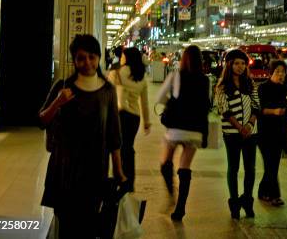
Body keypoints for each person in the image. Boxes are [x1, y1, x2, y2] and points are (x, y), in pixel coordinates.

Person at [39, 34, 126, 239]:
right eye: (81, 58)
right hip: (65, 170)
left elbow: (114, 134)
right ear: (74, 60)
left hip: (95, 171)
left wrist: (119, 171)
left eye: (91, 57)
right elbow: (42, 120)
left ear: (98, 58)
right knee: (67, 226)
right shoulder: (63, 87)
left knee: (88, 226)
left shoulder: (107, 91)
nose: (87, 62)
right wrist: (58, 102)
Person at [157, 45, 210, 222]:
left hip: (175, 129)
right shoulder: (205, 80)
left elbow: (160, 98)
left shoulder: (176, 75)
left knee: (165, 163)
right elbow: (205, 108)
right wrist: (205, 134)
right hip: (195, 131)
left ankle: (171, 194)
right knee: (185, 167)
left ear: (184, 59)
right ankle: (180, 209)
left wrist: (172, 101)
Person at [215, 49, 260, 219]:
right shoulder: (222, 86)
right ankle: (234, 203)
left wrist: (249, 125)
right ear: (229, 64)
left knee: (250, 168)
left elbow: (257, 106)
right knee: (233, 168)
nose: (240, 67)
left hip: (251, 133)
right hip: (232, 133)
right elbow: (224, 110)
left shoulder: (250, 83)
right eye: (236, 63)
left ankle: (248, 200)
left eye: (243, 63)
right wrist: (240, 127)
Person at [107, 47, 151, 193]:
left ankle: (118, 177)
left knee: (116, 147)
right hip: (134, 118)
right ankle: (130, 180)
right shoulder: (141, 77)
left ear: (127, 58)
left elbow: (108, 97)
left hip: (118, 115)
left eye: (123, 56)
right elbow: (144, 102)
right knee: (128, 147)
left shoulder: (115, 73)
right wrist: (147, 122)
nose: (121, 58)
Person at [257, 59, 287, 206]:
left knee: (273, 165)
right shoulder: (263, 88)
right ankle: (275, 195)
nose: (280, 74)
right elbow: (259, 110)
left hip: (279, 132)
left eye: (283, 72)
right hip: (265, 132)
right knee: (270, 164)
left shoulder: (285, 89)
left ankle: (262, 191)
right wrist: (275, 111)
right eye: (277, 72)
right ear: (271, 72)